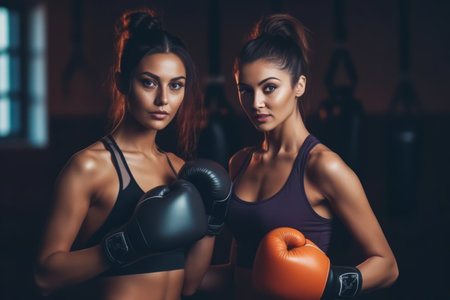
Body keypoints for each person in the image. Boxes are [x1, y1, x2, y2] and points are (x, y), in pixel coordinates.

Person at [33, 9, 229, 300]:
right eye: (149, 82)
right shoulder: (90, 166)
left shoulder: (179, 170)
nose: (163, 99)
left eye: (176, 85)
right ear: (122, 82)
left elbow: (189, 284)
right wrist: (129, 242)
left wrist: (212, 223)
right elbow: (45, 275)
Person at [201, 14, 398, 300]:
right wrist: (166, 271)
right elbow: (237, 273)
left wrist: (327, 283)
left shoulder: (323, 166)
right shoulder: (239, 163)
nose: (256, 103)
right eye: (245, 90)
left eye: (269, 88)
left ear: (299, 86)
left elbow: (387, 266)